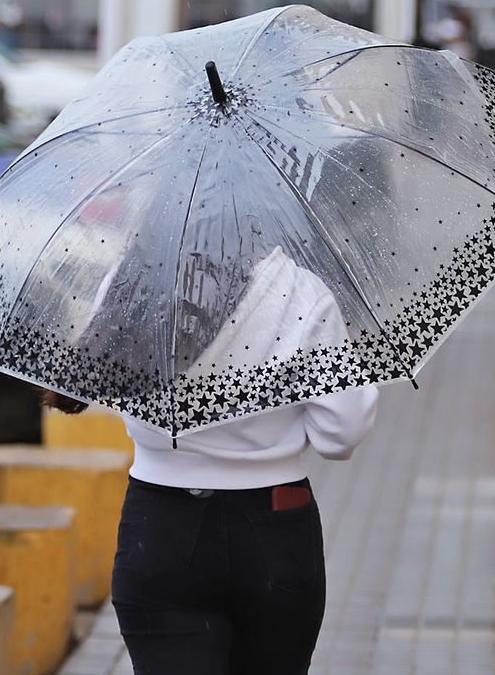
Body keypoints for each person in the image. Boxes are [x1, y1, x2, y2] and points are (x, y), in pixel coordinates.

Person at [55, 248, 379, 675]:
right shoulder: (300, 290)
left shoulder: (131, 277)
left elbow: (116, 384)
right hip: (274, 522)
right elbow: (341, 433)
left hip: (158, 526)